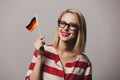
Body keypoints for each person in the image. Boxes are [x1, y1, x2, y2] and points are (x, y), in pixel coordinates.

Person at [25, 9, 92, 80]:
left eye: (72, 25)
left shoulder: (85, 62)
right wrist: (40, 56)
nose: (66, 28)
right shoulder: (42, 50)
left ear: (79, 30)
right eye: (63, 23)